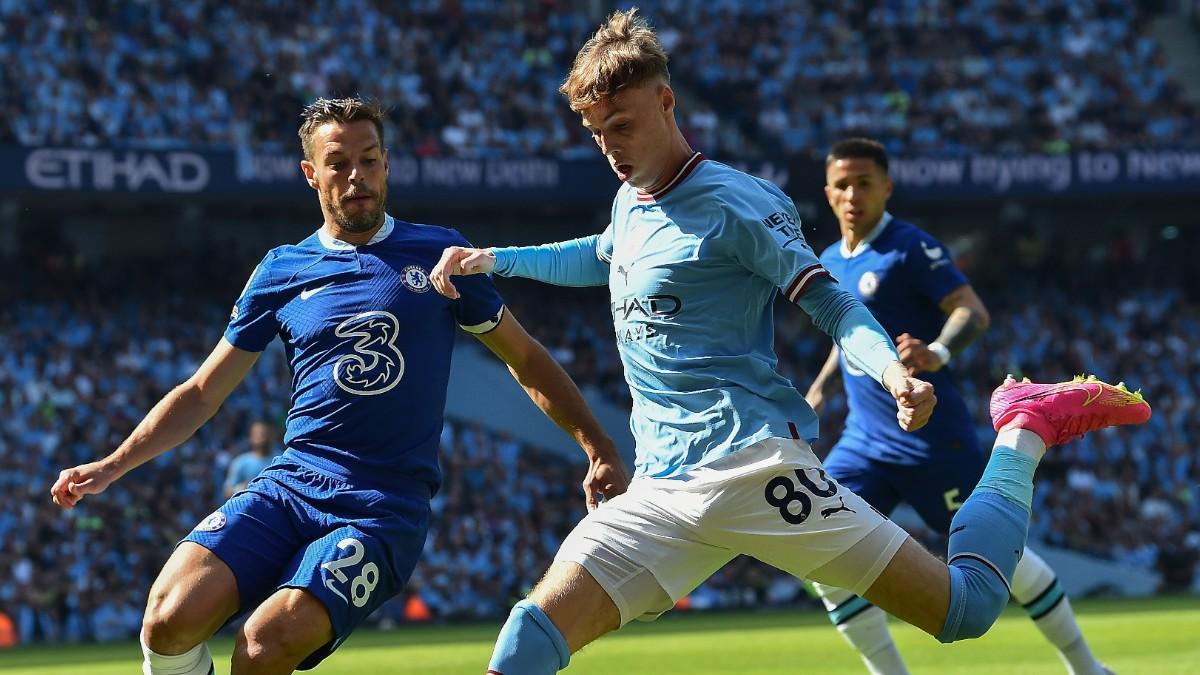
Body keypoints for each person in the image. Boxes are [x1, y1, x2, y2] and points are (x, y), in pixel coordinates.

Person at [429, 10, 1151, 675]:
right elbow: (604, 253)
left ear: (666, 102)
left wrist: (893, 377)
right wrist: (498, 258)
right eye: (595, 131)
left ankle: (1023, 428)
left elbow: (834, 305)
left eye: (620, 124)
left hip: (752, 467)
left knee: (966, 610)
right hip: (660, 488)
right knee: (530, 633)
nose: (609, 146)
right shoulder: (631, 197)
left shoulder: (741, 203)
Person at [50, 97, 628, 675]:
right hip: (290, 484)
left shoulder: (440, 254)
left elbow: (525, 358)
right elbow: (203, 391)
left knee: (263, 644)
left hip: (382, 508)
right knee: (166, 618)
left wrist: (598, 446)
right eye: (339, 163)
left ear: (387, 164)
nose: (358, 177)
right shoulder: (281, 269)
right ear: (311, 174)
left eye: (371, 160)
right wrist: (113, 465)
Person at [805, 137, 1112, 675]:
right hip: (863, 441)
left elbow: (972, 309)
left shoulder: (908, 247)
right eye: (843, 184)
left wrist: (938, 351)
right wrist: (822, 386)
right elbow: (847, 335)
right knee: (821, 548)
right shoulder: (830, 260)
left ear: (887, 187)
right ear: (827, 193)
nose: (853, 194)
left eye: (865, 182)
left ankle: (1088, 668)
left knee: (1001, 563)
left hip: (932, 441)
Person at [224, 420, 277, 498]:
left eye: (265, 433)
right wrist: (241, 489)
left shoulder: (280, 459)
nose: (262, 437)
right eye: (258, 434)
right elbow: (227, 491)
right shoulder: (241, 462)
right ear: (251, 437)